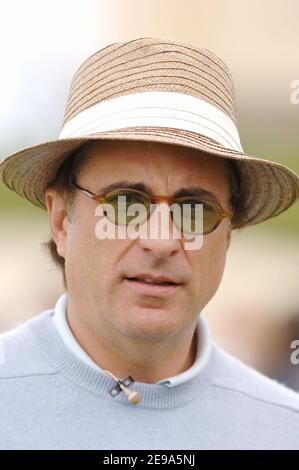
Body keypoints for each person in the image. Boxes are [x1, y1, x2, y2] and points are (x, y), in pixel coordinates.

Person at [0, 37, 299, 450]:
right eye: (125, 204)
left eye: (195, 209)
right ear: (60, 220)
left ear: (228, 235)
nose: (161, 241)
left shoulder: (284, 430)